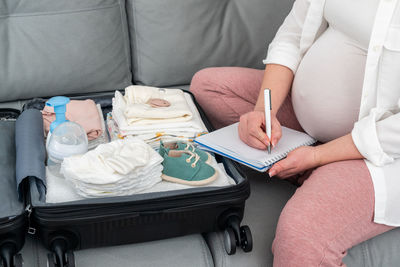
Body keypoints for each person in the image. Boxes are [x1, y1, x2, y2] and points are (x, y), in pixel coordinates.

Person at [190, 0, 400, 266]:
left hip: (381, 153)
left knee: (300, 241)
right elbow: (292, 36)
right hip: (310, 122)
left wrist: (318, 156)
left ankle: (328, 168)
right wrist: (262, 112)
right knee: (209, 88)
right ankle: (314, 170)